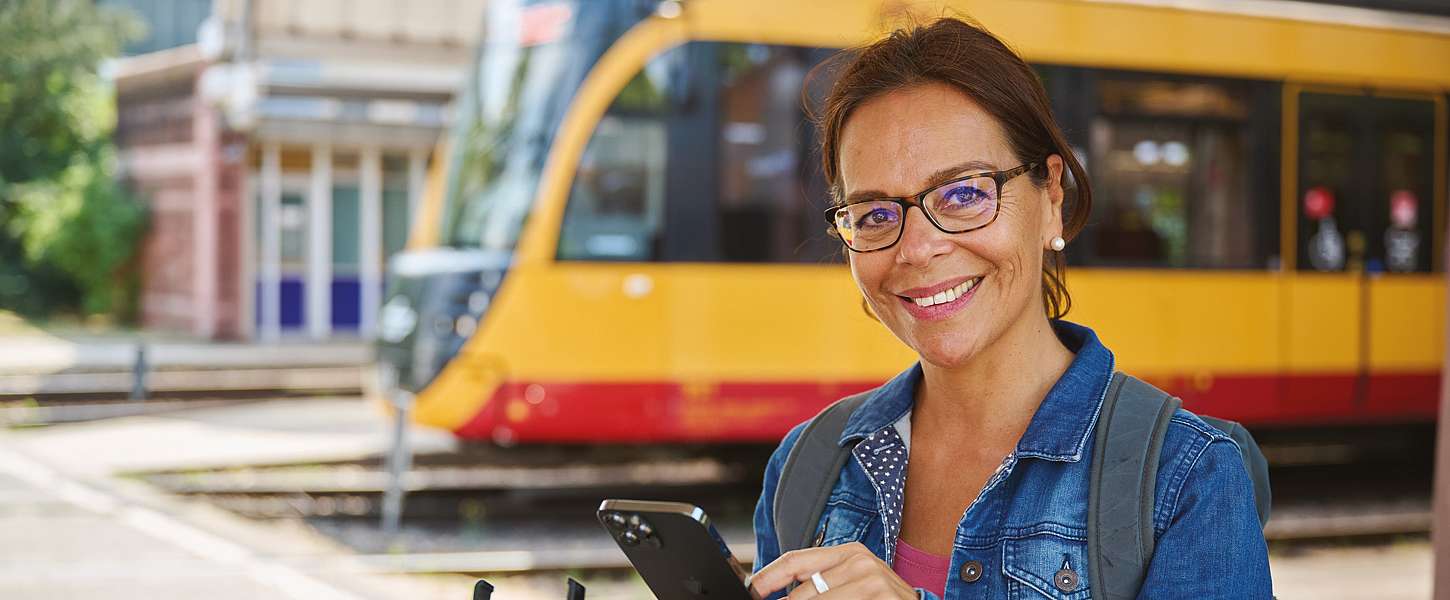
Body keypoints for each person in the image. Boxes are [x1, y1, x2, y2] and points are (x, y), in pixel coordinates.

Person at [748, 17, 1272, 600]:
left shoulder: (1188, 478)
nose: (917, 249)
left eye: (964, 193)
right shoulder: (807, 466)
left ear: (1051, 197)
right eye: (874, 214)